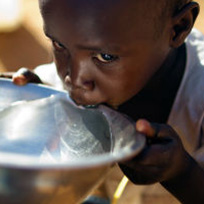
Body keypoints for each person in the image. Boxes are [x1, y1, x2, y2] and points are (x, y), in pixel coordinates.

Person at [4, 0, 204, 203]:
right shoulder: (66, 77)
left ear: (178, 28)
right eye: (59, 44)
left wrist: (183, 174)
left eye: (105, 56)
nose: (74, 79)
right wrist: (38, 104)